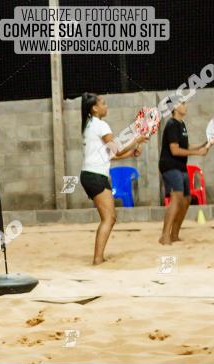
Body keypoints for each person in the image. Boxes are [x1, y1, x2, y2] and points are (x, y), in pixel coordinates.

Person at [79, 93, 146, 265]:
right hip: (94, 176)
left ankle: (98, 257)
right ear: (95, 108)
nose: (106, 106)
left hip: (91, 175)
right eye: (103, 103)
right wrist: (135, 139)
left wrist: (131, 152)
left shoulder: (89, 125)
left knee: (110, 218)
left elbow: (108, 154)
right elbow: (115, 149)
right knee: (109, 218)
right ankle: (97, 259)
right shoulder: (101, 125)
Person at [158, 100, 210, 245]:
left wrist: (203, 144)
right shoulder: (171, 125)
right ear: (175, 107)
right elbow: (175, 150)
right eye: (182, 103)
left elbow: (185, 146)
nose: (185, 105)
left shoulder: (181, 124)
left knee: (186, 200)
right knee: (177, 198)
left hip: (180, 167)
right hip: (170, 166)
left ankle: (174, 234)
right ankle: (164, 236)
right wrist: (197, 153)